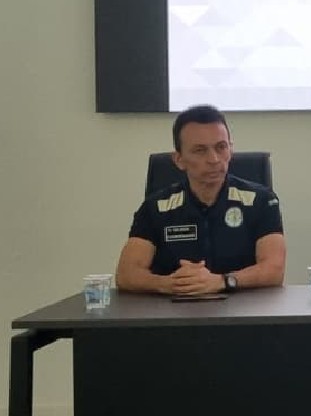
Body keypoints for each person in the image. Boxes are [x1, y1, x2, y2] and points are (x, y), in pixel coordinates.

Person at [115, 105, 286, 295]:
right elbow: (126, 274)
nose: (213, 159)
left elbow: (274, 270)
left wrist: (222, 281)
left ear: (231, 149)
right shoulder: (156, 207)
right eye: (200, 150)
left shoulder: (261, 201)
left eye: (221, 147)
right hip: (173, 312)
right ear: (179, 159)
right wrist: (167, 283)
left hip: (242, 312)